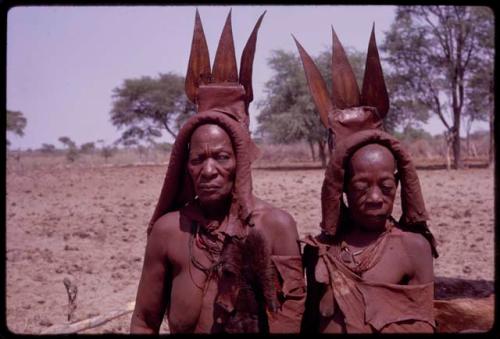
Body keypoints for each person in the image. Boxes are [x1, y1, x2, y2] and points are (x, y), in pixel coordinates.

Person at [130, 10, 305, 334]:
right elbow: (143, 322)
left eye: (221, 157)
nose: (208, 170)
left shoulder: (277, 226)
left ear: (240, 160)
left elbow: (291, 322)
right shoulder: (169, 232)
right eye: (198, 160)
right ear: (185, 165)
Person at [294, 26, 439, 333]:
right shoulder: (318, 251)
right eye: (361, 187)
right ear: (342, 188)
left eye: (386, 188)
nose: (375, 198)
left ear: (398, 186)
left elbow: (424, 325)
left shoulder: (413, 248)